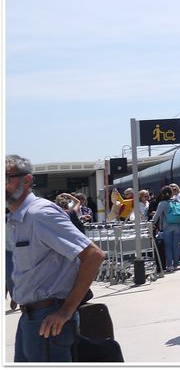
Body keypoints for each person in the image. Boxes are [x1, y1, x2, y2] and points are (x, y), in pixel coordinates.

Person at [6, 155, 105, 362]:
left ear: (27, 180)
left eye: (6, 178)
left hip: (48, 319)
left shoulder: (40, 214)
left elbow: (93, 255)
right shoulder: (17, 219)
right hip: (30, 318)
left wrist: (66, 310)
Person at [152, 186, 180, 271]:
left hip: (167, 226)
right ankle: (176, 264)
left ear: (162, 194)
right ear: (171, 193)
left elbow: (156, 215)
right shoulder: (177, 201)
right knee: (176, 245)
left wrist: (152, 223)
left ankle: (170, 265)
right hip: (177, 225)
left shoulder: (162, 203)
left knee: (168, 246)